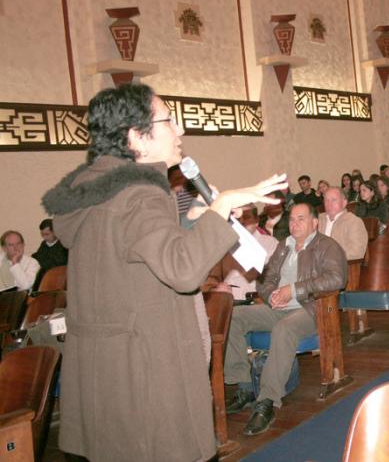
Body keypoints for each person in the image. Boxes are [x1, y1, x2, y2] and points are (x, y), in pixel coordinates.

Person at [41, 83, 287, 461]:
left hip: (109, 371)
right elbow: (184, 271)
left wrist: (190, 221)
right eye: (169, 121)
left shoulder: (99, 192)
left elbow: (138, 257)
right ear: (136, 136)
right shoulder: (140, 193)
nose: (180, 131)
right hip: (146, 369)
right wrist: (220, 207)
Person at [223, 203, 347, 435]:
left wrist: (294, 289)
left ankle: (267, 401)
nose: (294, 224)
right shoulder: (283, 246)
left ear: (314, 222)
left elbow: (336, 279)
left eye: (301, 219)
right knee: (234, 316)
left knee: (284, 329)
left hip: (310, 309)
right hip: (278, 308)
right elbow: (265, 279)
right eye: (291, 219)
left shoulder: (327, 246)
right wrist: (270, 295)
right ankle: (246, 387)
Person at [202, 207, 279, 299]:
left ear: (256, 221)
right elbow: (212, 275)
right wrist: (215, 288)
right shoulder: (226, 244)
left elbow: (268, 275)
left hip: (251, 297)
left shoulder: (269, 243)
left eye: (247, 218)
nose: (242, 223)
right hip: (224, 296)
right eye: (238, 219)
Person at [317, 187, 368, 260]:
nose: (329, 204)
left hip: (339, 266)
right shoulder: (317, 220)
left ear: (344, 203)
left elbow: (357, 252)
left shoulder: (354, 222)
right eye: (326, 200)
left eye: (333, 200)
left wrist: (330, 257)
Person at [31, 218, 69, 290]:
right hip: (44, 280)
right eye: (42, 235)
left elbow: (58, 263)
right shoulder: (44, 244)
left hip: (58, 282)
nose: (44, 237)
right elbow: (38, 258)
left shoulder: (64, 244)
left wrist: (42, 259)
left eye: (47, 234)